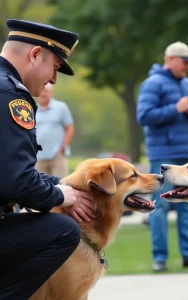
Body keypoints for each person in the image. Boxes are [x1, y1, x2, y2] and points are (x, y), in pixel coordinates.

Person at [0, 19, 96, 299]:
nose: (53, 79)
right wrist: (59, 195)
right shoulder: (10, 94)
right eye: (55, 67)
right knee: (63, 230)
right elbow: (16, 183)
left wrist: (67, 185)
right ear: (35, 55)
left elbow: (8, 169)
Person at [137, 41, 188, 272]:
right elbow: (144, 115)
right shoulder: (152, 83)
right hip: (162, 154)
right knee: (159, 206)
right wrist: (175, 108)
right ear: (171, 59)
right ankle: (160, 257)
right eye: (185, 62)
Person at [36, 83, 74, 177]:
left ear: (51, 92)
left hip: (57, 154)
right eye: (42, 91)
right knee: (40, 186)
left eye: (46, 91)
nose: (43, 94)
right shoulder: (33, 109)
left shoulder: (61, 107)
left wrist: (62, 148)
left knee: (60, 184)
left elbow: (69, 128)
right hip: (38, 156)